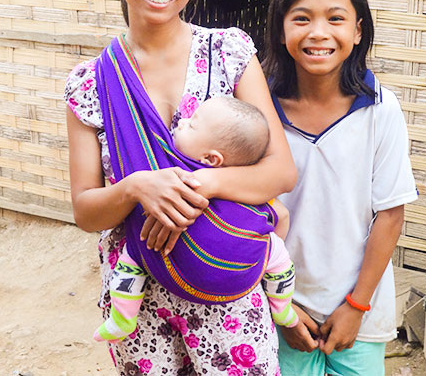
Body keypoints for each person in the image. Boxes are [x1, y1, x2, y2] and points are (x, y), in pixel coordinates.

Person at [65, 0, 297, 376]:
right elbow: (86, 211)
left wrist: (197, 186)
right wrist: (136, 188)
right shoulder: (91, 84)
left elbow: (281, 172)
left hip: (228, 299)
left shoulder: (229, 54)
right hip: (141, 307)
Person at [261, 0, 418, 376]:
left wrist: (356, 305)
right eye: (301, 18)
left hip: (359, 314)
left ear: (358, 30)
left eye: (335, 18)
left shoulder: (380, 109)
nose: (318, 32)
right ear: (280, 28)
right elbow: (241, 214)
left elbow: (390, 214)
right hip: (278, 310)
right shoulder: (259, 110)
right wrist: (281, 308)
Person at [94, 96, 298, 343]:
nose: (181, 121)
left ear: (210, 159)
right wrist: (264, 249)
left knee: (134, 255)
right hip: (233, 294)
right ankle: (282, 306)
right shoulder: (247, 188)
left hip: (206, 299)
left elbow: (284, 189)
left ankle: (122, 318)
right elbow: (280, 217)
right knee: (278, 256)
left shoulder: (173, 173)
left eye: (191, 124)